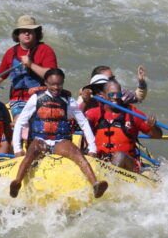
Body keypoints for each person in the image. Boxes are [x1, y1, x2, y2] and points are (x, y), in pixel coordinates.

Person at [9, 68, 107, 199]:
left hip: (59, 141)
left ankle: (95, 184)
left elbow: (83, 122)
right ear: (46, 83)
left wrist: (92, 147)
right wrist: (17, 148)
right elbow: (21, 121)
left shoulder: (68, 100)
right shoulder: (35, 99)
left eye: (59, 84)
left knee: (76, 153)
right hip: (40, 140)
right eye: (52, 84)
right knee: (32, 151)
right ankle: (17, 182)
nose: (56, 87)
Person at [83, 80, 161, 172]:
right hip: (101, 161)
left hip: (128, 164)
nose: (115, 97)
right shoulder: (94, 113)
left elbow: (157, 135)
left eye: (118, 95)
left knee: (119, 156)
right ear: (103, 96)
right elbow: (81, 125)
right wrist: (85, 101)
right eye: (111, 95)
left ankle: (111, 177)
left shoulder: (133, 114)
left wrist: (153, 126)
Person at [0, 15, 58, 118]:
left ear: (36, 33)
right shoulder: (10, 53)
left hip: (42, 97)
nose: (27, 33)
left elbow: (52, 77)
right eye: (23, 31)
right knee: (21, 119)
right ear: (17, 34)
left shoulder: (46, 50)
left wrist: (31, 65)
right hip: (18, 100)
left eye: (30, 30)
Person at [78, 64, 148, 110]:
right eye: (110, 79)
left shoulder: (118, 94)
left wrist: (141, 82)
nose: (114, 81)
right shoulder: (85, 97)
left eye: (113, 78)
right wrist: (85, 102)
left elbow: (138, 96)